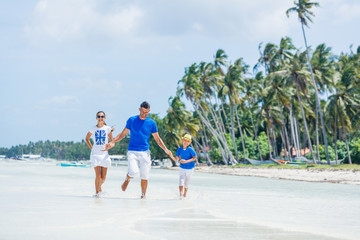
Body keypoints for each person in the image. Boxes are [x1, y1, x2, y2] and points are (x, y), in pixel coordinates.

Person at [104, 101, 172, 199]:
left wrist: (165, 149)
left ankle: (143, 196)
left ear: (149, 111)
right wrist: (112, 142)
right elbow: (123, 134)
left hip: (145, 152)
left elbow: (157, 139)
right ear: (139, 109)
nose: (144, 114)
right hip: (132, 151)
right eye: (142, 111)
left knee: (145, 176)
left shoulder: (151, 123)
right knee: (133, 172)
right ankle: (127, 179)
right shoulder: (132, 120)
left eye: (146, 112)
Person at [85, 111, 114, 197]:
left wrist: (109, 146)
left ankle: (99, 187)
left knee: (103, 178)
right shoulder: (93, 128)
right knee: (98, 175)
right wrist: (91, 148)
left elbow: (113, 142)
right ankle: (97, 193)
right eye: (99, 116)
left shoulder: (108, 129)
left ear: (104, 118)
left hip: (104, 155)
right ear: (96, 118)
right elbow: (87, 139)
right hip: (95, 155)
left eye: (102, 116)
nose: (100, 118)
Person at [169, 134, 197, 200]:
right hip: (182, 167)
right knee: (181, 181)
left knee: (186, 183)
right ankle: (181, 195)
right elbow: (176, 159)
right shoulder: (179, 149)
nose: (186, 142)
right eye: (184, 140)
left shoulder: (190, 149)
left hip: (190, 168)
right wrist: (171, 155)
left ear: (189, 142)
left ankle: (185, 195)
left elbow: (194, 158)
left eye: (187, 141)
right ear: (182, 141)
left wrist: (186, 161)